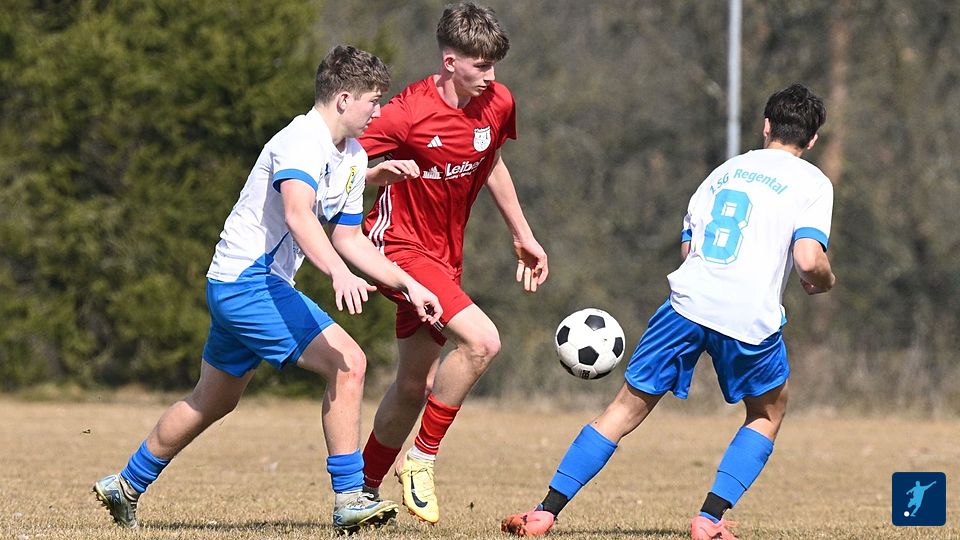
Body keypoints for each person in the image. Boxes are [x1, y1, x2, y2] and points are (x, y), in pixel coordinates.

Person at [91, 44, 443, 535]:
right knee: (349, 363)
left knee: (212, 400)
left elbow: (349, 239)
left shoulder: (354, 156)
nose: (379, 112)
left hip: (241, 284)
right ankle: (349, 497)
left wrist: (408, 283)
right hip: (247, 282)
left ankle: (125, 484)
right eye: (373, 101)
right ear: (344, 99)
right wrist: (337, 273)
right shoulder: (299, 140)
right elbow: (299, 214)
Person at [501, 83, 836, 540]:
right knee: (766, 414)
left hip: (686, 303)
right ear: (812, 140)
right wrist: (824, 280)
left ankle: (545, 512)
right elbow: (808, 260)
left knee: (622, 410)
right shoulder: (813, 182)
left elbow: (687, 249)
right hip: (748, 316)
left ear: (766, 126)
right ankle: (709, 519)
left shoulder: (724, 172)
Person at [355, 2, 548, 525]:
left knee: (414, 386)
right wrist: (375, 175)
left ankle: (359, 494)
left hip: (443, 257)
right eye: (480, 66)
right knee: (483, 342)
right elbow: (339, 163)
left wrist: (523, 235)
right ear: (449, 61)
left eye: (494, 65)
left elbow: (492, 162)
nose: (491, 77)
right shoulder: (406, 112)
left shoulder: (498, 102)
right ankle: (421, 459)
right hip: (397, 245)